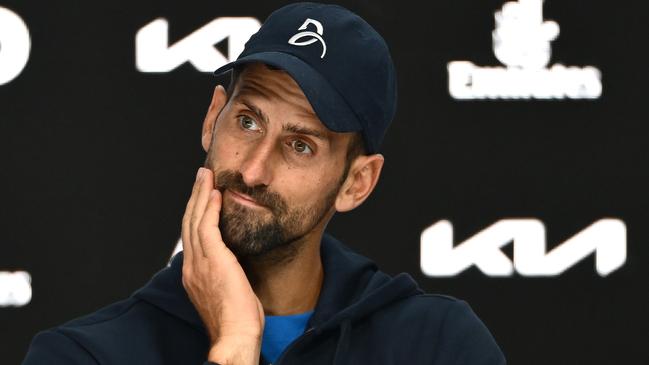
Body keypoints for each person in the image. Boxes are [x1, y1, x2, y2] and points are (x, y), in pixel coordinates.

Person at [23, 2, 506, 364]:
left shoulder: (439, 346)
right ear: (214, 117)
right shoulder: (84, 356)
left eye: (300, 145)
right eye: (248, 122)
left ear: (357, 182)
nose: (252, 171)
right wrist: (233, 342)